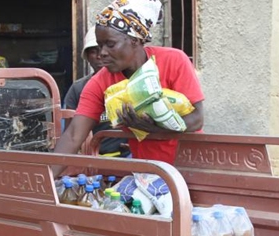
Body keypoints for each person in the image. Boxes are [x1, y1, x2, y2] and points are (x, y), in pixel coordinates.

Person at [54, 0, 204, 165]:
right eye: (99, 45)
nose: (102, 53)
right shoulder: (100, 82)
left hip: (189, 169)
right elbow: (74, 135)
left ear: (135, 40)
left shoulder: (173, 61)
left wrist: (154, 128)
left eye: (110, 44)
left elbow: (196, 119)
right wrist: (45, 179)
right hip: (148, 172)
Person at [64, 27, 128, 157]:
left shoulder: (129, 82)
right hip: (95, 158)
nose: (100, 55)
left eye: (106, 49)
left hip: (130, 156)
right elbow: (71, 135)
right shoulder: (78, 88)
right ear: (87, 56)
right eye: (93, 51)